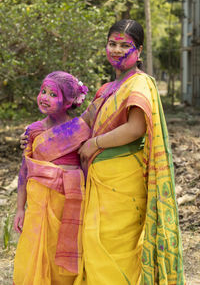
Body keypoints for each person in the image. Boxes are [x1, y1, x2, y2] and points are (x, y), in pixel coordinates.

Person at [20, 20, 185, 285]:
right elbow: (83, 124)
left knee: (116, 249)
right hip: (97, 186)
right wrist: (38, 138)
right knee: (93, 246)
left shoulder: (140, 85)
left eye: (125, 45)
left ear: (139, 51)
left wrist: (96, 144)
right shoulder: (107, 90)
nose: (117, 50)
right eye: (112, 44)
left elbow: (135, 128)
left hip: (123, 186)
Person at [13, 71, 90, 285]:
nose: (44, 97)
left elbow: (86, 167)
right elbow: (24, 169)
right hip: (38, 204)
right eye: (43, 91)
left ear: (68, 102)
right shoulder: (33, 130)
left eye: (52, 94)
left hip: (69, 203)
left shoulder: (80, 130)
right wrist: (20, 208)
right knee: (37, 250)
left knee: (62, 253)